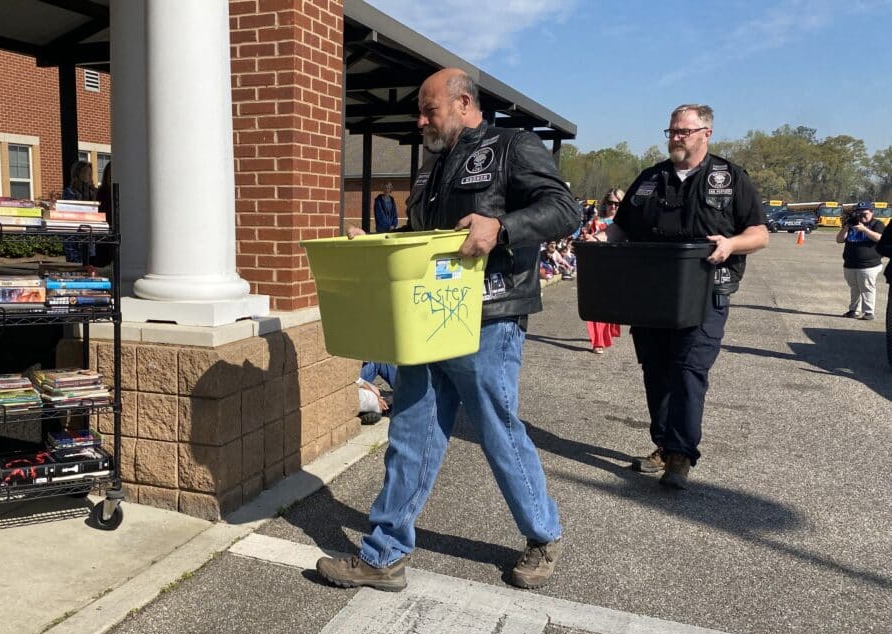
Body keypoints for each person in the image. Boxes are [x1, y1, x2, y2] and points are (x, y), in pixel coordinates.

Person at [315, 67, 579, 592]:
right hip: (428, 318)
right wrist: (376, 244)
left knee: (497, 430)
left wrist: (501, 226)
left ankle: (542, 535)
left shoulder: (513, 147)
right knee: (410, 432)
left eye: (428, 109)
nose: (421, 121)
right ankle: (385, 554)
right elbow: (423, 240)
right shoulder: (431, 168)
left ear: (463, 103)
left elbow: (564, 210)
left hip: (489, 318)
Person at [604, 104, 768, 489]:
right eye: (672, 131)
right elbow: (620, 228)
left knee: (689, 369)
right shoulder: (650, 179)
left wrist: (731, 244)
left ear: (706, 133)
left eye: (684, 131)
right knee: (656, 369)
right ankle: (664, 444)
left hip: (705, 292)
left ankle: (681, 454)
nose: (676, 138)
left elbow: (759, 234)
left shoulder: (730, 178)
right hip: (652, 294)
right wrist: (600, 238)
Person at [578, 189, 625, 353]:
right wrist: (586, 239)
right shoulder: (596, 222)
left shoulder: (627, 224)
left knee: (611, 303)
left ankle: (609, 329)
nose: (613, 207)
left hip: (618, 267)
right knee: (595, 303)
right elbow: (586, 239)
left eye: (617, 204)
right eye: (610, 203)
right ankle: (598, 341)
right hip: (597, 266)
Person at [835, 201, 885, 320]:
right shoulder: (852, 224)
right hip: (850, 264)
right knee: (854, 288)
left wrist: (864, 229)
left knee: (867, 288)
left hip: (869, 264)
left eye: (865, 213)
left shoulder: (877, 224)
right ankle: (854, 310)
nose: (862, 216)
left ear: (872, 213)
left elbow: (880, 238)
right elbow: (839, 240)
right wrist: (846, 226)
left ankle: (868, 312)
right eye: (859, 213)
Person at [62, 160, 98, 263]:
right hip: (73, 234)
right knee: (75, 263)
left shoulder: (93, 191)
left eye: (89, 173)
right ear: (77, 173)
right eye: (84, 172)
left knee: (89, 261)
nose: (87, 176)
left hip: (89, 232)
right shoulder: (70, 192)